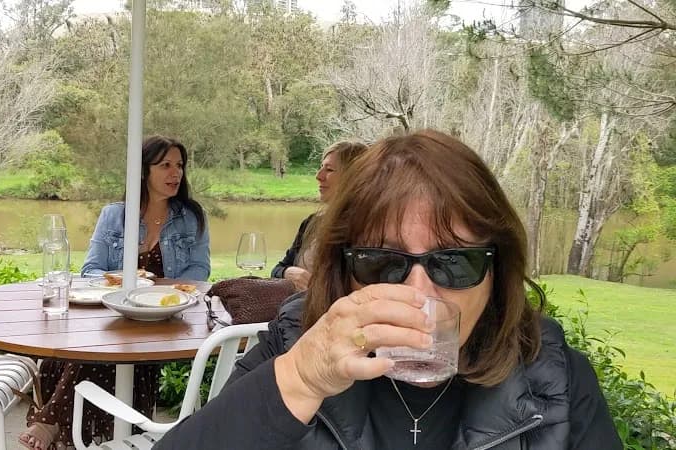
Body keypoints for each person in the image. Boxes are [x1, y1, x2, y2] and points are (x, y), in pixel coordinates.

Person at [152, 130, 621, 449]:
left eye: (454, 262)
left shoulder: (554, 379)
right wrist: (300, 379)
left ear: (497, 269)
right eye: (383, 262)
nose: (420, 294)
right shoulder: (297, 341)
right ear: (345, 270)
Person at [20, 135, 210, 450]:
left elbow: (199, 272)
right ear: (143, 171)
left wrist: (155, 288)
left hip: (164, 319)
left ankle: (51, 421)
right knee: (87, 349)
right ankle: (76, 428)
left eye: (179, 165)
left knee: (100, 351)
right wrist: (123, 280)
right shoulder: (114, 215)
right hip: (116, 314)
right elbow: (90, 269)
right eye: (165, 165)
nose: (175, 173)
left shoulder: (190, 217)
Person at [271, 140, 368, 291]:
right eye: (320, 167)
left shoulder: (368, 232)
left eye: (329, 170)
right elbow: (278, 269)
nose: (318, 176)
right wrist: (287, 272)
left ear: (353, 177)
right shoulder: (311, 223)